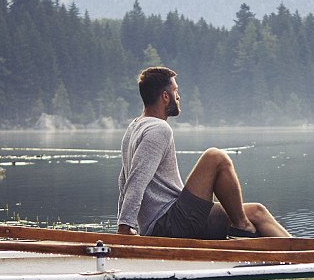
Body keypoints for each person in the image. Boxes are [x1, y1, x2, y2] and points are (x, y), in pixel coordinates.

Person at [116, 66, 291, 239]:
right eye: (175, 91)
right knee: (215, 157)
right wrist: (124, 228)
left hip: (171, 218)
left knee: (257, 212)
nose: (178, 96)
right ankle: (242, 228)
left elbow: (123, 180)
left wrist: (126, 223)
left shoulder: (133, 128)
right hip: (168, 224)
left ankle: (307, 254)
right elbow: (136, 181)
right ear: (165, 96)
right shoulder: (159, 129)